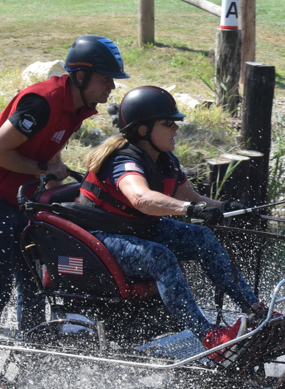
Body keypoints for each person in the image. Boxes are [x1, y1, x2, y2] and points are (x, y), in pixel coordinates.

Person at [0, 35, 129, 350]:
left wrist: (58, 183)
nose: (112, 86)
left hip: (20, 202)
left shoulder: (77, 107)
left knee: (35, 286)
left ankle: (29, 359)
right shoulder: (42, 102)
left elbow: (49, 149)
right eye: (106, 79)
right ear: (81, 76)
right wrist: (43, 170)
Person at [77, 86, 266, 358]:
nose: (176, 128)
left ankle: (256, 312)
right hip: (101, 238)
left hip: (140, 229)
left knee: (203, 238)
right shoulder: (122, 160)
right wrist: (191, 210)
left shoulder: (165, 160)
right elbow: (141, 198)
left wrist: (227, 207)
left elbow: (190, 197)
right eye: (168, 123)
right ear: (143, 130)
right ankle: (210, 338)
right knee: (160, 257)